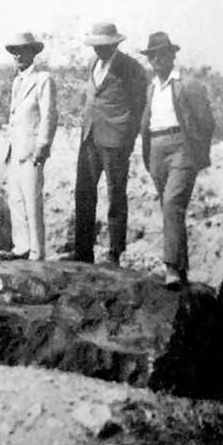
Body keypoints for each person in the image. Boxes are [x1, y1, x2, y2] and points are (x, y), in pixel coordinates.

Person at [139, 31, 215, 286]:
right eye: (153, 56)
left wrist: (197, 151)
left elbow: (206, 122)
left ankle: (171, 266)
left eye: (162, 54)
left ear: (172, 55)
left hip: (182, 147)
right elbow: (146, 121)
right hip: (156, 148)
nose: (157, 59)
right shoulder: (151, 88)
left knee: (172, 203)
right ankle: (181, 270)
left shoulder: (187, 83)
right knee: (169, 207)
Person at [73, 22, 147, 265]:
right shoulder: (93, 64)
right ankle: (83, 252)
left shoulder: (130, 67)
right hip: (89, 137)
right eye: (95, 45)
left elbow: (139, 106)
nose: (98, 50)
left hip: (116, 141)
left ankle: (115, 252)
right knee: (84, 193)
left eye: (103, 45)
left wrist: (127, 137)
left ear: (115, 43)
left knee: (116, 195)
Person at [0, 32, 58, 261]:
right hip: (15, 149)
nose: (18, 56)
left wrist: (43, 145)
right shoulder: (16, 81)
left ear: (33, 53)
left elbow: (49, 115)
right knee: (16, 199)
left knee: (32, 200)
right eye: (14, 52)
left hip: (32, 149)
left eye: (23, 51)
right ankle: (21, 246)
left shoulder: (43, 79)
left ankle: (36, 251)